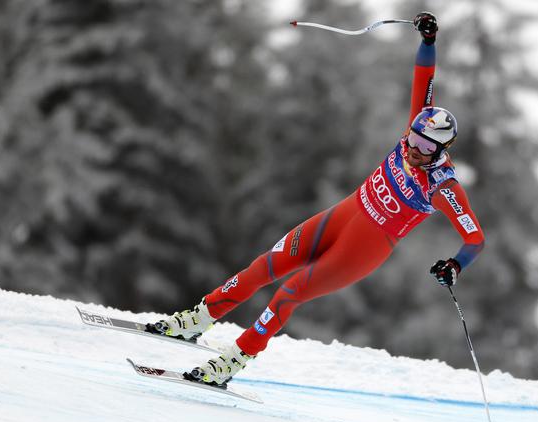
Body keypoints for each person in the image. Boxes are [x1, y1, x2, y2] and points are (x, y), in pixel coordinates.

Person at [150, 12, 485, 387]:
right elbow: (423, 78)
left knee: (288, 294)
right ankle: (198, 318)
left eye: (424, 146)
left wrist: (455, 266)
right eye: (412, 137)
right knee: (264, 267)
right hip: (343, 214)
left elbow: (475, 238)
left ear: (441, 150)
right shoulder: (417, 128)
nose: (412, 147)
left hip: (365, 247)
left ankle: (234, 359)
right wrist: (428, 41)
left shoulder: (443, 186)